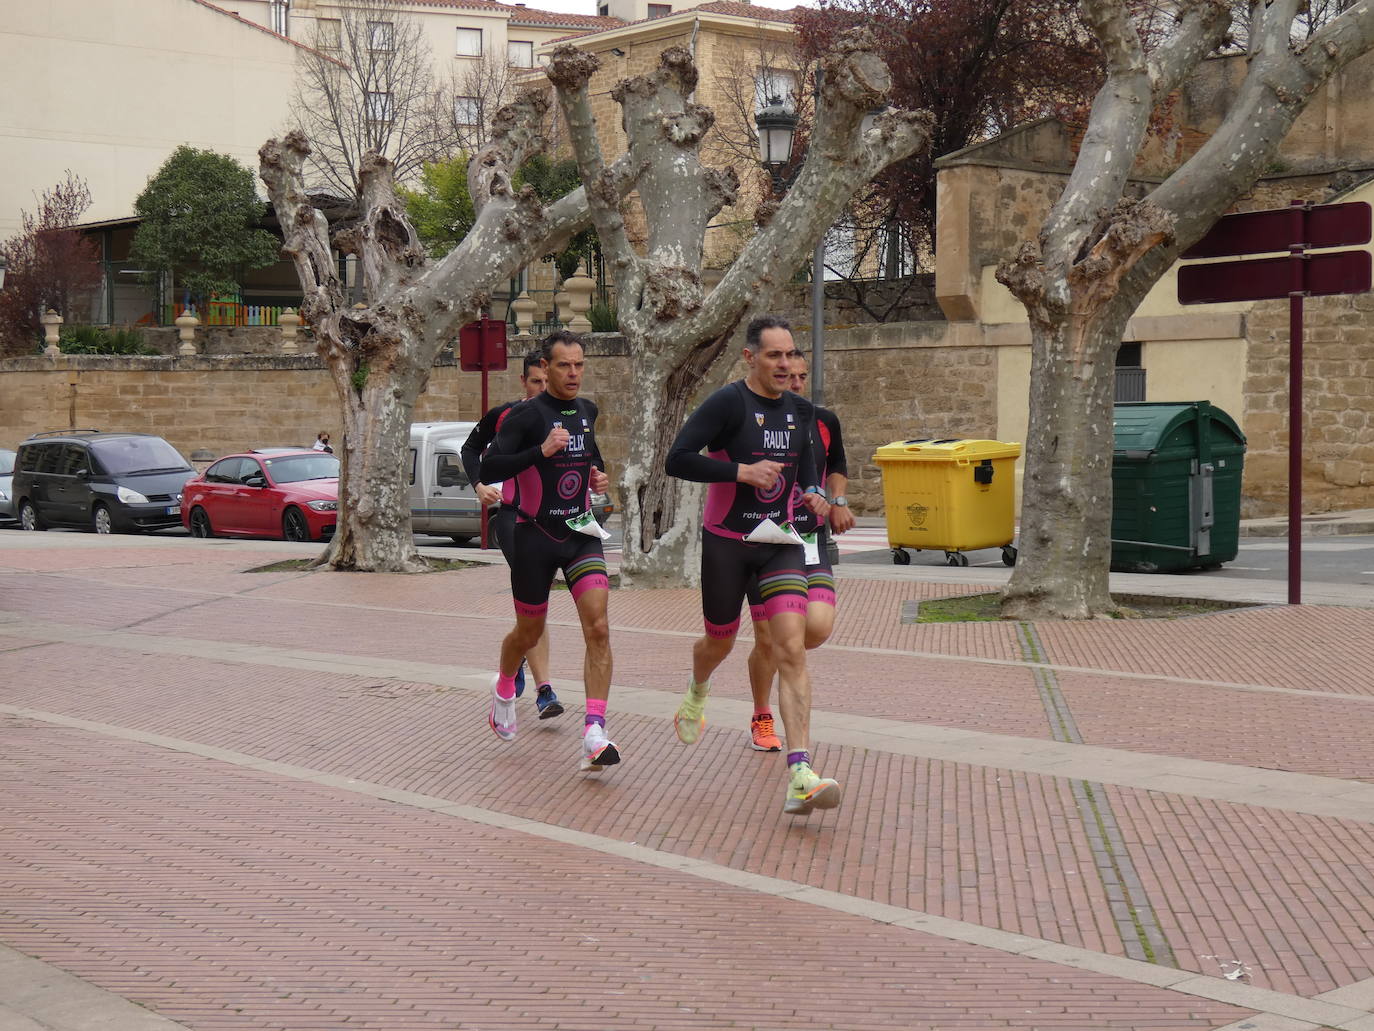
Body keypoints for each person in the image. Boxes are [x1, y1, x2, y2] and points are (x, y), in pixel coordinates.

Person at [665, 315, 840, 816]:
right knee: (719, 641)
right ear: (751, 358)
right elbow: (677, 459)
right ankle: (698, 690)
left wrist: (815, 497)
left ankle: (800, 771)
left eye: (790, 355)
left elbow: (807, 475)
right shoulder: (728, 402)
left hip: (779, 543)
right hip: (727, 542)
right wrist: (739, 471)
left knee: (790, 647)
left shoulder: (802, 412)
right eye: (774, 356)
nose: (786, 365)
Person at [479, 330, 618, 772]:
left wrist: (599, 477)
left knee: (598, 627)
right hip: (534, 533)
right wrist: (540, 450)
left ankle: (594, 731)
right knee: (529, 633)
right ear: (547, 366)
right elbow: (490, 466)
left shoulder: (586, 411)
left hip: (580, 532)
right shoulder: (524, 416)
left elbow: (591, 457)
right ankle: (505, 685)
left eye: (579, 364)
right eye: (564, 365)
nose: (574, 373)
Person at [742, 351, 854, 752]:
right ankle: (762, 714)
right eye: (789, 375)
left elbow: (837, 464)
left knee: (818, 627)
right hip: (767, 540)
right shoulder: (754, 418)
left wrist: (837, 501)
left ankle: (783, 657)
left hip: (808, 540)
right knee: (768, 637)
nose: (796, 383)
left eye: (803, 376)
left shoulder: (823, 420)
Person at [460, 351, 562, 719]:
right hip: (513, 518)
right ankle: (545, 691)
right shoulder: (506, 415)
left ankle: (517, 655)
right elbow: (471, 448)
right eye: (536, 382)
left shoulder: (569, 416)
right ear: (524, 382)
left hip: (555, 522)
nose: (542, 389)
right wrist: (479, 484)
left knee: (535, 607)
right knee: (536, 602)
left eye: (547, 383)